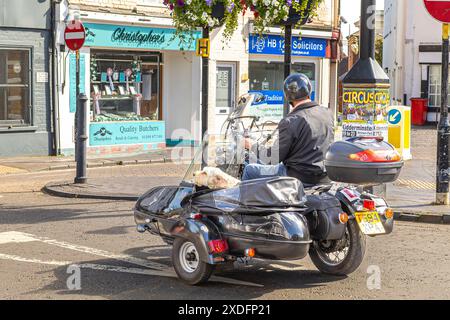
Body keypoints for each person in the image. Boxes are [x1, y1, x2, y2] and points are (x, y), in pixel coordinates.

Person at [242, 73, 335, 186]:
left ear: (288, 96)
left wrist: (251, 145)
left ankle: (246, 203)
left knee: (250, 169)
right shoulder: (327, 113)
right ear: (308, 91)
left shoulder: (291, 120)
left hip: (296, 176)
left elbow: (272, 159)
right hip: (323, 176)